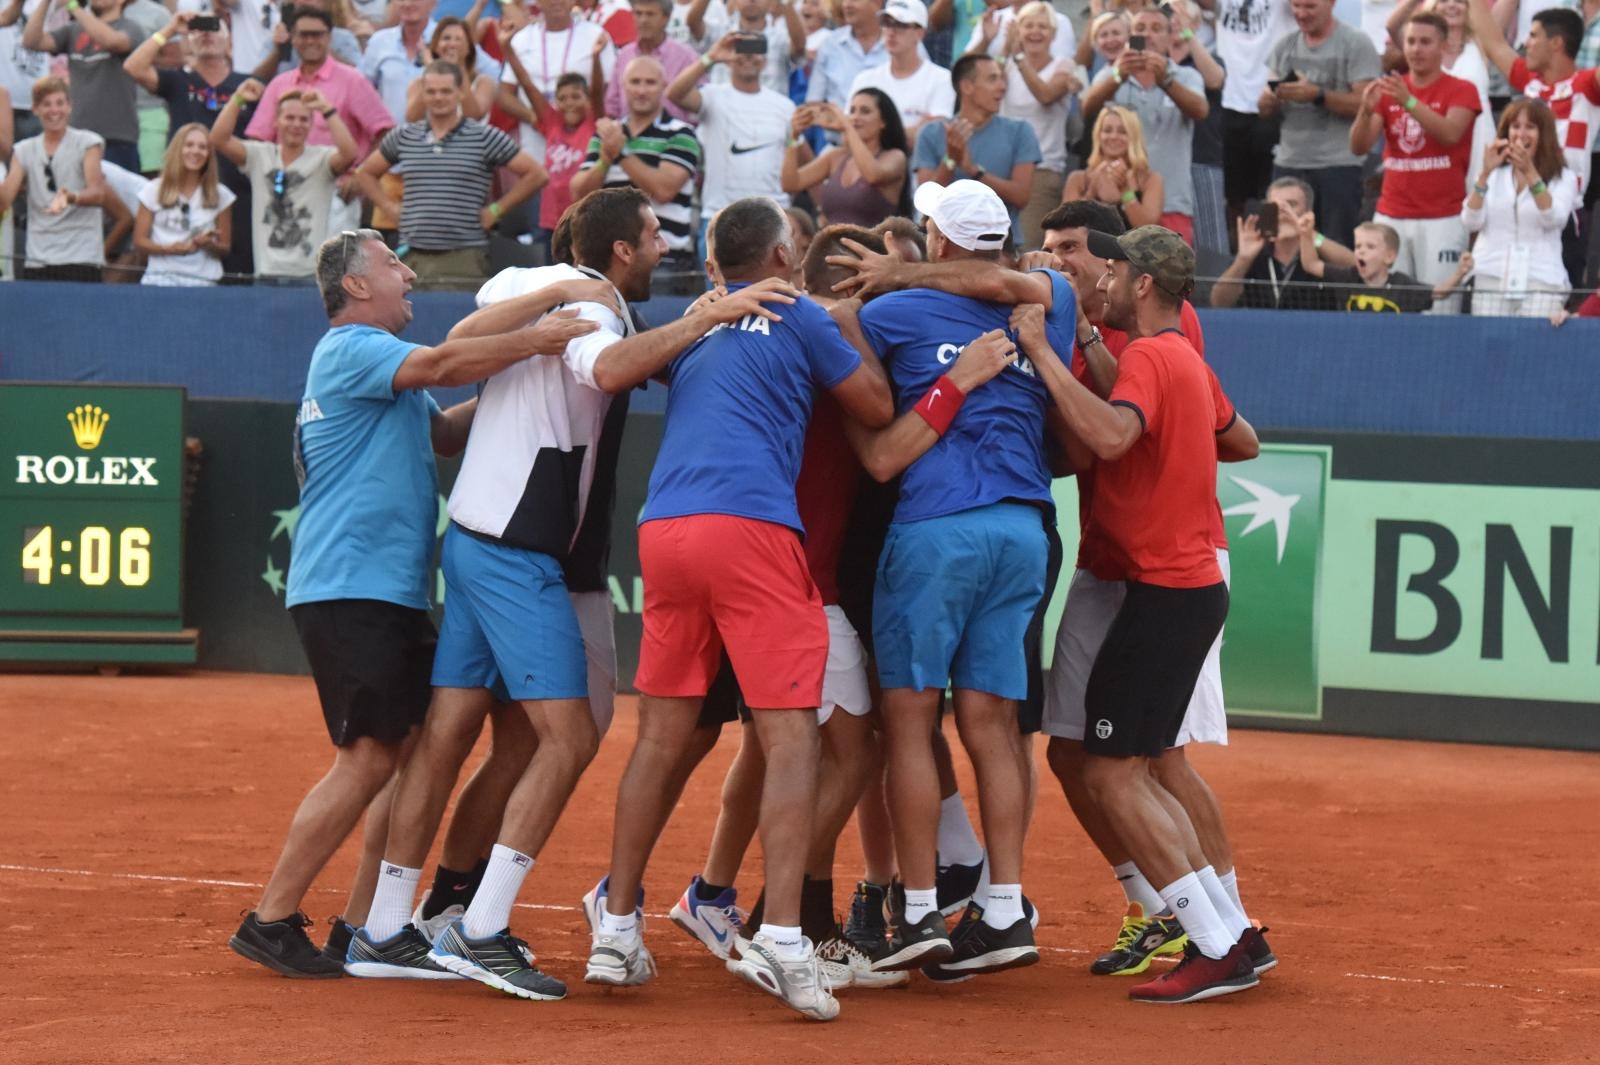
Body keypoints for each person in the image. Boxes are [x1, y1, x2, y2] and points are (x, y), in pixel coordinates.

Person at [228, 228, 585, 979]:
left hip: (380, 591)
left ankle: (368, 926)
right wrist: (541, 325)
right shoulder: (354, 347)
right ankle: (270, 917)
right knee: (366, 761)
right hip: (350, 587)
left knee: (406, 758)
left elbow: (448, 432)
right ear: (356, 287)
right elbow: (445, 361)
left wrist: (513, 386)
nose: (408, 271)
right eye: (393, 263)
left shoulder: (387, 369)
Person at [586, 196, 892, 1021]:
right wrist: (849, 320)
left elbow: (622, 363)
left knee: (660, 735)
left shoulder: (700, 322)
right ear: (785, 256)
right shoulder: (797, 309)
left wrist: (707, 309)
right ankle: (783, 935)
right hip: (753, 528)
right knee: (791, 736)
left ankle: (616, 928)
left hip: (664, 531)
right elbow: (872, 405)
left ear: (717, 262)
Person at [826, 179, 1067, 979]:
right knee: (995, 727)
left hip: (936, 530)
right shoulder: (1047, 307)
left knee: (909, 720)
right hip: (1023, 529)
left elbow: (875, 440)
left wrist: (887, 283)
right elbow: (1009, 283)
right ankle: (1004, 907)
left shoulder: (889, 313)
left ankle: (921, 909)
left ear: (937, 238)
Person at [1030, 199, 1271, 984]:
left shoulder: (1160, 356)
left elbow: (1107, 437)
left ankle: (1216, 937)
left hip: (1165, 584)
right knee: (1111, 761)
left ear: (1135, 279)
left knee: (1124, 767)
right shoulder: (1171, 358)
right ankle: (1227, 932)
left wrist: (1040, 352)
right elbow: (1234, 436)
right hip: (1159, 580)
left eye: (1093, 256)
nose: (1084, 268)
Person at [356, 59, 546, 287]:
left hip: (465, 256)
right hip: (413, 255)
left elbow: (537, 174)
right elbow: (365, 173)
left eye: (446, 91)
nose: (438, 98)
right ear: (423, 95)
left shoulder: (484, 136)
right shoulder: (405, 136)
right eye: (431, 92)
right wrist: (388, 208)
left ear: (459, 93)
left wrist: (496, 210)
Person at [1350, 10, 1479, 312]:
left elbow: (1450, 134)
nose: (1416, 49)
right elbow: (1359, 147)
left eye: (1425, 42)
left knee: (1440, 308)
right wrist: (1365, 111)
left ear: (1444, 45)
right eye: (1410, 41)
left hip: (1442, 216)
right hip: (1392, 213)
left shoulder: (1462, 89)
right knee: (1390, 305)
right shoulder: (1388, 91)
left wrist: (1408, 100)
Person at [1259, 0, 1381, 247]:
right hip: (1288, 161)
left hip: (1339, 165)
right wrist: (1269, 99)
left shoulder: (1356, 42)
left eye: (1310, 7)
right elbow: (1263, 109)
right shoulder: (1284, 45)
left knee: (1338, 246)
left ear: (1331, 3)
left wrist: (1317, 95)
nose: (1301, 14)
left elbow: (1367, 104)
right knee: (1274, 240)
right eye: (1296, 6)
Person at [1081, 4, 1207, 244]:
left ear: (1170, 37)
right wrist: (1119, 76)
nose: (1147, 34)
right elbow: (1087, 109)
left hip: (1172, 200)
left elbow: (1201, 111)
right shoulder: (1112, 74)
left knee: (1170, 278)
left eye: (1156, 28)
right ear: (1130, 36)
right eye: (1140, 28)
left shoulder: (1186, 75)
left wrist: (1165, 80)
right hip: (1120, 201)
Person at [212, 79, 360, 279]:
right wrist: (237, 98)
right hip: (266, 272)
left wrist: (327, 109)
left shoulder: (322, 159)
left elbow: (350, 154)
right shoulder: (260, 155)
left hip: (308, 275)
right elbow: (218, 138)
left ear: (311, 125)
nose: (296, 124)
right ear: (276, 121)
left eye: (303, 119)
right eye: (289, 118)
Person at [668, 31, 796, 262]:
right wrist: (711, 57)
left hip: (772, 218)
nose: (748, 56)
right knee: (720, 298)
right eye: (742, 49)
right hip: (720, 217)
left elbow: (796, 158)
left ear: (765, 59)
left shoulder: (785, 107)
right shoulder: (713, 96)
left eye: (755, 50)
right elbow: (674, 93)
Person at [570, 55, 702, 260]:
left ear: (663, 86)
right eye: (635, 82)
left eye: (650, 82)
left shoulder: (681, 133)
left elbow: (664, 190)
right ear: (623, 86)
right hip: (612, 259)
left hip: (665, 258)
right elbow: (579, 193)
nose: (641, 91)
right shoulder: (607, 133)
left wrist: (621, 154)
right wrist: (604, 161)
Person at [1462, 99, 1579, 316]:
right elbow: (1471, 221)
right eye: (1515, 126)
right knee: (1493, 347)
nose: (1521, 134)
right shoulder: (1493, 175)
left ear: (1544, 134)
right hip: (1492, 276)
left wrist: (1531, 173)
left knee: (1534, 347)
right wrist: (1484, 175)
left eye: (1530, 127)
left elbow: (1554, 219)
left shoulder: (1563, 178)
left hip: (1541, 280)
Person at [912, 54, 1040, 245]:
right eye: (992, 79)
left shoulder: (1021, 131)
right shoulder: (931, 133)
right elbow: (927, 203)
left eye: (1002, 79)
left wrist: (974, 170)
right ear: (967, 87)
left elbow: (1021, 196)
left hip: (1002, 249)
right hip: (944, 248)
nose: (1002, 87)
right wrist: (951, 160)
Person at [0, 76, 108, 281]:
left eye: (60, 103)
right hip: (39, 257)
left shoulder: (88, 142)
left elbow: (98, 193)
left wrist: (71, 197)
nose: (54, 110)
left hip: (81, 255)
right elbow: (5, 199)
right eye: (46, 104)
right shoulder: (24, 150)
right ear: (35, 109)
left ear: (69, 107)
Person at [500, 35, 605, 243]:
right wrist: (507, 49)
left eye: (576, 96)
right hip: (551, 222)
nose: (569, 103)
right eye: (562, 98)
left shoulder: (593, 124)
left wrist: (595, 58)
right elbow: (528, 86)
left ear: (587, 100)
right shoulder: (552, 123)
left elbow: (598, 93)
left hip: (585, 220)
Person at [21, 0, 147, 172]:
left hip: (116, 137)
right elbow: (31, 41)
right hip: (76, 138)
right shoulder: (74, 29)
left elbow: (114, 42)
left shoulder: (131, 27)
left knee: (117, 197)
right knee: (74, 197)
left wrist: (73, 7)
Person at [1387, 0, 1493, 191]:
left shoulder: (1480, 42)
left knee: (1481, 195)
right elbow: (1392, 26)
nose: (1452, 5)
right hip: (1435, 125)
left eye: (1460, 1)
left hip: (1480, 130)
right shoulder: (1422, 47)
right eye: (1443, 0)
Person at [998, 0, 1078, 246]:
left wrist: (1018, 56)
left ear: (1053, 34)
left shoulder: (1064, 66)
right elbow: (984, 88)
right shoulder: (1008, 65)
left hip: (1042, 172)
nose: (1035, 32)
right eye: (1028, 25)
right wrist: (1005, 50)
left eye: (1042, 27)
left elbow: (1045, 95)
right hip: (1002, 170)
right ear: (1018, 31)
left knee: (1028, 250)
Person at [497, 0, 615, 164]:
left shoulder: (596, 35)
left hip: (584, 145)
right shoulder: (521, 39)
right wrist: (533, 117)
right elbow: (504, 95)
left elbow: (607, 92)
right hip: (536, 148)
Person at [1209, 175, 1353, 308]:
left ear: (1308, 212)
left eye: (1291, 204)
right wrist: (1243, 259)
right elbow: (1219, 303)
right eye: (1275, 206)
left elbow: (1358, 271)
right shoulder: (1255, 252)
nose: (1283, 212)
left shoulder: (1323, 249)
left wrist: (1308, 233)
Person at [1215, 0, 1295, 223]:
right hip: (1231, 99)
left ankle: (1269, 249)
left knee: (1269, 192)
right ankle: (1242, 250)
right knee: (1234, 195)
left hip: (1271, 98)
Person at [782, 89, 910, 227]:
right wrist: (794, 136)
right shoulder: (836, 156)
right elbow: (790, 184)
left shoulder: (895, 157)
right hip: (830, 246)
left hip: (872, 246)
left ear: (883, 122)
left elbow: (873, 175)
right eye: (852, 111)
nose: (855, 117)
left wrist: (847, 128)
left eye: (865, 111)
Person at [133, 122, 234, 285]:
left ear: (209, 154)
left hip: (203, 283)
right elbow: (139, 241)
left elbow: (225, 248)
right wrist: (169, 249)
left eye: (203, 147)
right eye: (189, 145)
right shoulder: (152, 190)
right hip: (160, 281)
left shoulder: (221, 194)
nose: (195, 151)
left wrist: (208, 244)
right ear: (177, 149)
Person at [1298, 217, 1466, 310]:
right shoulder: (1348, 277)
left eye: (1370, 247)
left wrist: (1460, 273)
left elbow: (1439, 293)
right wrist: (1306, 235)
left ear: (1389, 257)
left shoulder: (1402, 284)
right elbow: (1311, 265)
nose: (1361, 251)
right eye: (1358, 246)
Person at [850, 0, 955, 140]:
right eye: (887, 23)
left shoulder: (942, 79)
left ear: (919, 33)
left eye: (901, 25)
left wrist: (871, 133)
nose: (891, 32)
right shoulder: (865, 79)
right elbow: (847, 136)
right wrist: (913, 131)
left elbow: (932, 137)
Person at [1064, 105, 1164, 229]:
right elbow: (1067, 226)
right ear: (1098, 135)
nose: (1113, 136)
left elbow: (1147, 228)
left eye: (1122, 131)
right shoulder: (1078, 179)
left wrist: (1126, 192)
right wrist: (1091, 192)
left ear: (1133, 137)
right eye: (1107, 130)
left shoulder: (1150, 179)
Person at [603, 0, 700, 122]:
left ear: (666, 18)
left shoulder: (686, 57)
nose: (643, 20)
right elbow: (612, 105)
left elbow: (702, 106)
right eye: (638, 14)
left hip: (673, 138)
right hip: (629, 137)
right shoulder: (624, 55)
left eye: (650, 14)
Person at [687, 0, 807, 96]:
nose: (752, 0)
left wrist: (786, 2)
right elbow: (693, 23)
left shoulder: (781, 39)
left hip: (768, 118)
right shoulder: (721, 35)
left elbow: (800, 47)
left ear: (772, 2)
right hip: (723, 115)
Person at [406, 17, 501, 120]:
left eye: (458, 39)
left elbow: (473, 116)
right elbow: (412, 118)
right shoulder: (418, 83)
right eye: (446, 38)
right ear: (436, 46)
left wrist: (459, 68)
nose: (452, 44)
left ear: (469, 47)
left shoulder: (484, 83)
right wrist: (431, 69)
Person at [363, 0, 441, 123]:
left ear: (433, 3)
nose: (408, 3)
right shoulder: (379, 41)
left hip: (439, 137)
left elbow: (480, 71)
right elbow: (361, 89)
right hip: (390, 136)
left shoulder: (448, 38)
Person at [809, 0, 890, 109]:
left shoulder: (904, 44)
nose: (847, 5)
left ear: (877, 3)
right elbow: (813, 102)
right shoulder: (830, 45)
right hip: (835, 124)